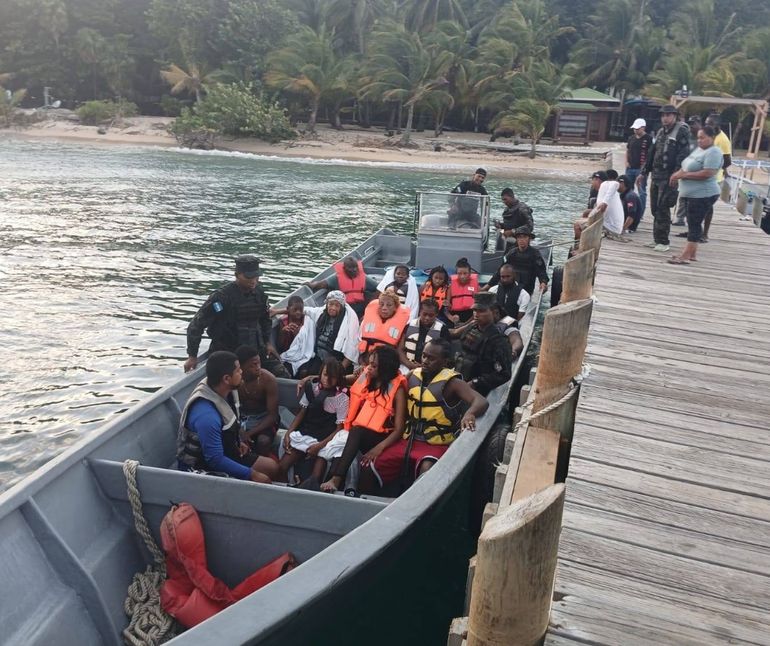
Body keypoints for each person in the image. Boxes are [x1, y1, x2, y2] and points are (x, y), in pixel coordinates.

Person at [368, 340, 489, 490]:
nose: (425, 361)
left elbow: (481, 401)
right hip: (408, 439)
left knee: (427, 468)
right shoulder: (412, 375)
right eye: (424, 356)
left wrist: (470, 413)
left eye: (431, 358)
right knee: (371, 464)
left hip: (436, 444)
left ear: (445, 362)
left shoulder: (453, 383)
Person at [176, 351, 279, 483]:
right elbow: (215, 460)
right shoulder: (207, 416)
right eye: (238, 370)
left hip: (224, 450)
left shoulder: (223, 389)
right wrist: (252, 474)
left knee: (273, 468)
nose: (242, 372)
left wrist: (238, 441)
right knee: (263, 476)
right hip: (201, 466)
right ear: (226, 379)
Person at [320, 345, 407, 493]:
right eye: (369, 364)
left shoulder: (397, 390)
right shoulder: (368, 377)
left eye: (374, 365)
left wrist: (379, 448)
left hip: (381, 437)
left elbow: (399, 429)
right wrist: (311, 378)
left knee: (356, 431)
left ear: (385, 368)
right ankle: (328, 484)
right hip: (360, 434)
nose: (369, 368)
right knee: (343, 447)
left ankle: (336, 479)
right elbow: (340, 380)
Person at [184, 254, 288, 377]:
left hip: (254, 352)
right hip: (228, 354)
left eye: (256, 276)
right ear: (237, 275)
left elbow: (265, 319)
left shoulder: (259, 294)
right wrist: (192, 355)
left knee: (281, 373)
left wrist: (267, 343)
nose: (253, 281)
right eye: (248, 277)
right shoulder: (221, 299)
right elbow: (197, 325)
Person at [278, 358, 349, 487]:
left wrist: (319, 446)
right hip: (307, 432)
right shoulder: (312, 388)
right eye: (325, 375)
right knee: (282, 467)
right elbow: (302, 412)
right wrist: (289, 432)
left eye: (332, 377)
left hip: (326, 437)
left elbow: (339, 428)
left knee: (315, 478)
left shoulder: (341, 398)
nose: (327, 380)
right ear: (320, 373)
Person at [667, 125, 722, 265]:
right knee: (692, 223)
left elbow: (708, 173)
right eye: (698, 138)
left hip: (703, 194)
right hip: (691, 194)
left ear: (712, 138)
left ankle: (685, 256)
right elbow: (686, 166)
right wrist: (675, 175)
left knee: (694, 224)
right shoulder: (699, 150)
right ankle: (692, 254)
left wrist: (685, 175)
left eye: (702, 138)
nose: (699, 140)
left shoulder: (714, 152)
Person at [638, 104, 690, 253]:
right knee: (655, 208)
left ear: (675, 116)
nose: (665, 118)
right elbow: (652, 152)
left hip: (669, 177)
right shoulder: (661, 131)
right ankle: (657, 238)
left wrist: (676, 173)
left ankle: (663, 241)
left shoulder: (681, 131)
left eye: (668, 115)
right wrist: (644, 171)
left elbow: (683, 154)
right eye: (663, 115)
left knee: (663, 207)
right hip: (656, 175)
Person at [280, 290, 360, 378]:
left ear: (341, 307)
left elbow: (351, 350)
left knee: (323, 377)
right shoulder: (321, 312)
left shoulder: (349, 321)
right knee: (304, 373)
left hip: (335, 360)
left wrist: (340, 370)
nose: (333, 308)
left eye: (337, 305)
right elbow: (303, 310)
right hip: (318, 356)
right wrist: (276, 311)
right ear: (327, 304)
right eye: (331, 304)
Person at [454, 292, 512, 396]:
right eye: (475, 310)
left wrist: (475, 383)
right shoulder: (471, 328)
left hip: (478, 389)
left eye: (481, 311)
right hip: (459, 377)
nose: (476, 314)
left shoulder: (498, 340)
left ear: (494, 312)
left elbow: (504, 374)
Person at [236, 345, 279, 457]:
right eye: (253, 365)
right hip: (242, 418)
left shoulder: (268, 379)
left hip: (264, 418)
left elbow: (272, 415)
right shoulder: (235, 381)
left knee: (263, 441)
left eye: (259, 363)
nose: (258, 367)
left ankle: (263, 462)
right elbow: (229, 409)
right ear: (241, 367)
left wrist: (249, 433)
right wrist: (240, 430)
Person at [305, 256, 378, 319]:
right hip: (343, 309)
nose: (354, 270)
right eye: (350, 268)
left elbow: (379, 288)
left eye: (355, 267)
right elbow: (321, 284)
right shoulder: (336, 278)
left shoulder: (364, 278)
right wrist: (312, 285)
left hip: (360, 309)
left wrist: (370, 303)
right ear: (344, 268)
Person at [486, 227, 548, 295]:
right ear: (516, 239)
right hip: (510, 286)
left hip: (526, 289)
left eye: (524, 237)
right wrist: (488, 285)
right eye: (519, 237)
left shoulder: (535, 254)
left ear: (529, 239)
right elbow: (500, 270)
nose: (522, 240)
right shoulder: (511, 253)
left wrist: (543, 282)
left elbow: (541, 271)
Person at [700, 114, 732, 243]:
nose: (707, 126)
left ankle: (705, 234)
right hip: (702, 175)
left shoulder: (723, 140)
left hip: (714, 178)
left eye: (710, 124)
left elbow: (727, 161)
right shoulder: (708, 135)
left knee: (707, 206)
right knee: (697, 204)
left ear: (717, 125)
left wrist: (715, 167)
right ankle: (696, 230)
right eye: (706, 123)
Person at [398, 298, 450, 371]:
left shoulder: (443, 330)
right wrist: (410, 365)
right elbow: (400, 349)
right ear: (420, 312)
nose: (427, 318)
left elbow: (444, 356)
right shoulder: (409, 326)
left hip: (431, 370)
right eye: (424, 314)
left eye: (431, 315)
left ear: (436, 314)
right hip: (406, 367)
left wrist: (424, 367)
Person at [574, 173, 625, 242]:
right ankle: (585, 242)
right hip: (611, 226)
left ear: (597, 179)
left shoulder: (604, 184)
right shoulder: (604, 191)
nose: (592, 183)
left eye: (592, 180)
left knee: (577, 224)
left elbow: (616, 184)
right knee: (585, 216)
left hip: (611, 228)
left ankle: (579, 246)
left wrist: (605, 202)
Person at [358, 291, 411, 357]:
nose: (384, 308)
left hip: (388, 358)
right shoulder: (365, 321)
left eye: (389, 305)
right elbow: (359, 340)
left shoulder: (404, 326)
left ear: (395, 308)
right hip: (365, 357)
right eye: (381, 304)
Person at [674, 116, 703, 226]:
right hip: (685, 170)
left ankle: (693, 220)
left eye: (693, 123)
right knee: (683, 194)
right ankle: (680, 218)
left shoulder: (703, 138)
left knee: (695, 198)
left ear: (699, 124)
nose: (691, 126)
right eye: (690, 124)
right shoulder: (687, 137)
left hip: (698, 172)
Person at [625, 118, 652, 218]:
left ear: (643, 128)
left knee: (641, 191)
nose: (635, 130)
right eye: (634, 128)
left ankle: (640, 213)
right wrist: (626, 161)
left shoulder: (648, 139)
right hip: (630, 167)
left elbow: (650, 154)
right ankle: (628, 210)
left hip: (641, 169)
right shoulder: (631, 138)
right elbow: (627, 150)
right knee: (628, 190)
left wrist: (645, 168)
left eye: (637, 128)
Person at [448, 257, 480, 324]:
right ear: (456, 273)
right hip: (455, 318)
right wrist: (451, 318)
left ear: (470, 273)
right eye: (459, 273)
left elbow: (479, 306)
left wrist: (467, 323)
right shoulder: (450, 287)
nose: (462, 276)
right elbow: (446, 308)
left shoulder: (477, 286)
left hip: (472, 318)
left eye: (465, 273)